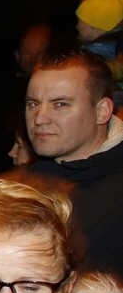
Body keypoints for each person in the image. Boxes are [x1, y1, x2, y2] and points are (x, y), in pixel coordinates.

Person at [25, 49, 123, 279]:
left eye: (60, 104)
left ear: (102, 111)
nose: (39, 118)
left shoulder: (117, 197)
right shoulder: (16, 185)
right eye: (33, 103)